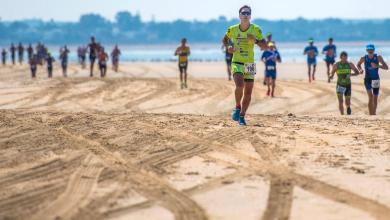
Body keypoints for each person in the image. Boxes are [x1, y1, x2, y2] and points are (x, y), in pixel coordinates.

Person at [222, 5, 267, 126]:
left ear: (250, 16)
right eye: (243, 13)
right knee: (240, 85)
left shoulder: (256, 29)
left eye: (248, 13)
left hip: (250, 64)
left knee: (248, 92)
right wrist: (229, 47)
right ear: (239, 15)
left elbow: (265, 46)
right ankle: (237, 106)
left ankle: (242, 116)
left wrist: (256, 41)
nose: (245, 15)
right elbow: (225, 39)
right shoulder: (233, 29)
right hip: (237, 62)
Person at [357, 44, 388, 115]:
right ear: (366, 50)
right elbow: (358, 64)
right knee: (370, 97)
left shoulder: (378, 57)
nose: (370, 51)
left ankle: (374, 113)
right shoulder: (364, 58)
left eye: (371, 49)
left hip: (376, 79)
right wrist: (360, 69)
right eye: (369, 49)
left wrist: (377, 66)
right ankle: (371, 114)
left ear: (374, 50)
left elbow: (386, 67)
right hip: (367, 80)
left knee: (375, 98)